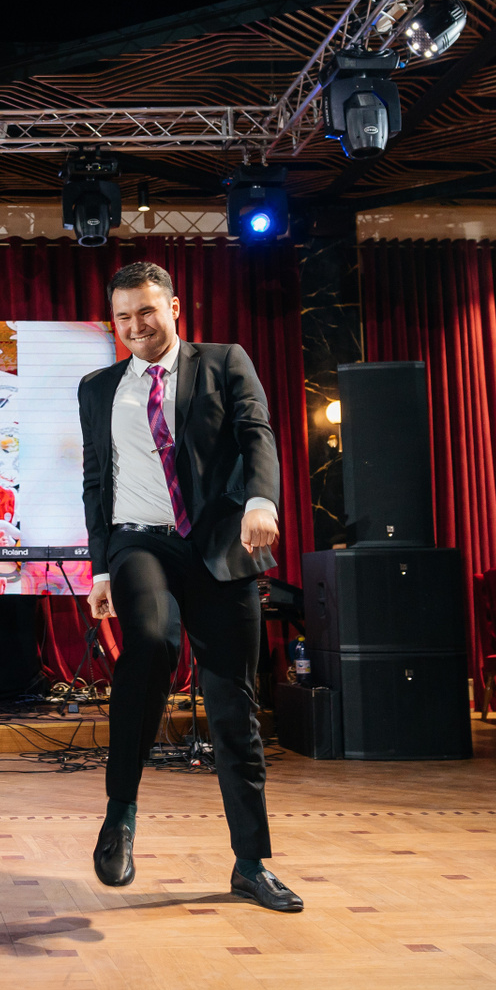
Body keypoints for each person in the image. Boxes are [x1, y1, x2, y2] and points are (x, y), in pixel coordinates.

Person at [77, 261, 301, 914]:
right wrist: (99, 567)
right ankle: (120, 814)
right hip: (138, 542)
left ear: (174, 307)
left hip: (220, 547)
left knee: (234, 705)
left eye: (146, 311)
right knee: (150, 642)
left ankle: (251, 864)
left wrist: (261, 501)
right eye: (123, 317)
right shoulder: (98, 388)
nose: (135, 326)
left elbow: (256, 435)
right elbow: (95, 480)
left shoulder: (225, 362)